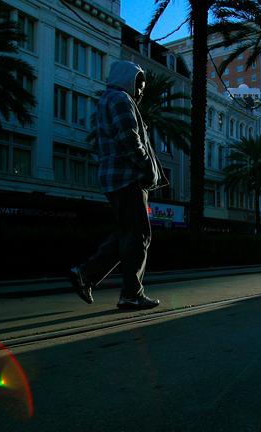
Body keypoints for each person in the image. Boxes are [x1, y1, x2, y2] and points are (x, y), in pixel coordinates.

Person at [67, 60, 166, 310]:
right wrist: (145, 166)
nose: (141, 91)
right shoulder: (121, 99)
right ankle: (131, 294)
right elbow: (128, 138)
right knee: (139, 235)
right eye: (138, 84)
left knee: (127, 233)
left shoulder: (108, 99)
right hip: (127, 178)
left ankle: (86, 274)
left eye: (142, 87)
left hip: (115, 179)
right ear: (125, 79)